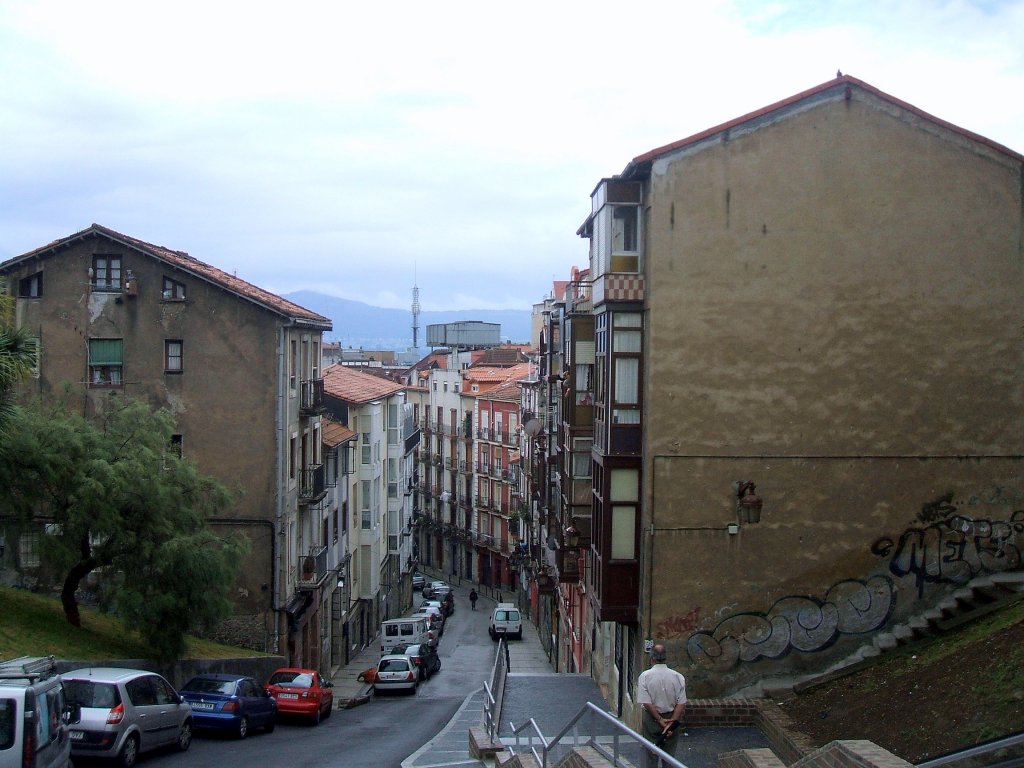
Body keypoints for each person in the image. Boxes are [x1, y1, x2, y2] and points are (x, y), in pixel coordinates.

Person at [637, 644, 687, 767]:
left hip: (651, 719)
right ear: (665, 658)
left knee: (650, 754)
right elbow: (681, 703)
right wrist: (671, 723)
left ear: (652, 658)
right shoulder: (678, 676)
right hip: (671, 717)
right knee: (669, 757)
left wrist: (659, 720)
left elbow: (647, 702)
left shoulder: (645, 676)